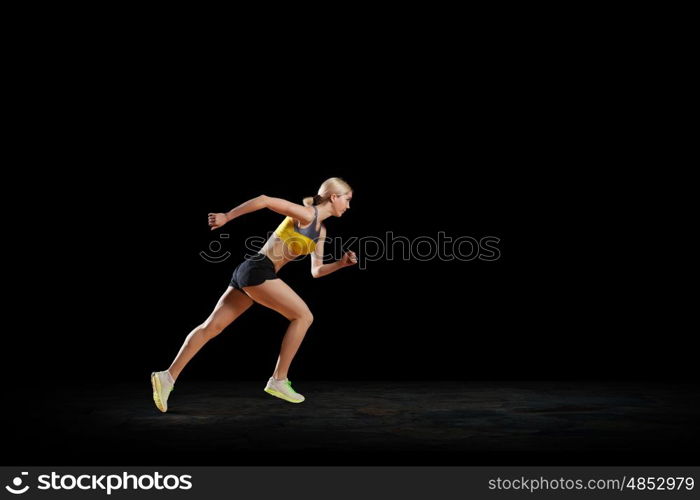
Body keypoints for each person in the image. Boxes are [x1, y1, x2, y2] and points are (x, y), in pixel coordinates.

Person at [151, 177, 356, 411]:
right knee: (303, 316)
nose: (348, 206)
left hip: (251, 271)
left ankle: (166, 377)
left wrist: (340, 264)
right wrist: (227, 216)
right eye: (347, 200)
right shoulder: (306, 214)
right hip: (259, 269)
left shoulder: (322, 231)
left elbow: (316, 271)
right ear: (334, 197)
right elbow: (264, 200)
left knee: (212, 327)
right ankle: (278, 380)